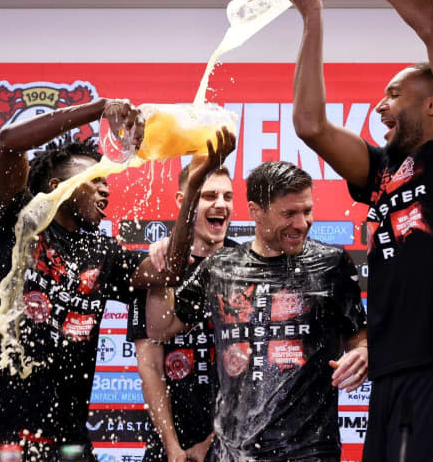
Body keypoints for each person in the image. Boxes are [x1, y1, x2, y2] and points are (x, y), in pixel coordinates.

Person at [272, 0, 433, 460]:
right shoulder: (383, 170)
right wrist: (312, 18)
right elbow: (309, 124)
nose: (380, 106)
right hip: (395, 369)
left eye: (394, 93)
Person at [0, 96, 235, 461]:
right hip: (1, 441)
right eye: (95, 179)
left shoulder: (102, 253)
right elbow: (10, 141)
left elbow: (169, 270)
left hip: (71, 446)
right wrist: (99, 109)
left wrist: (194, 187)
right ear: (59, 183)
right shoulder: (16, 223)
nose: (107, 188)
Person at [148, 160, 368, 462]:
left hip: (310, 452)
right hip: (232, 454)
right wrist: (164, 269)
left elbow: (359, 338)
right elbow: (161, 328)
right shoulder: (221, 268)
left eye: (307, 211)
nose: (302, 223)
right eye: (289, 213)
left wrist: (363, 353)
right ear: (255, 211)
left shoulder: (332, 265)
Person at [128, 163, 236, 462]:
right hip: (168, 446)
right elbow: (150, 366)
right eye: (209, 195)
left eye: (228, 196)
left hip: (233, 442)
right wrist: (172, 447)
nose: (221, 204)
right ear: (183, 200)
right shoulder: (155, 268)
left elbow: (255, 371)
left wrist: (212, 443)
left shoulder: (246, 266)